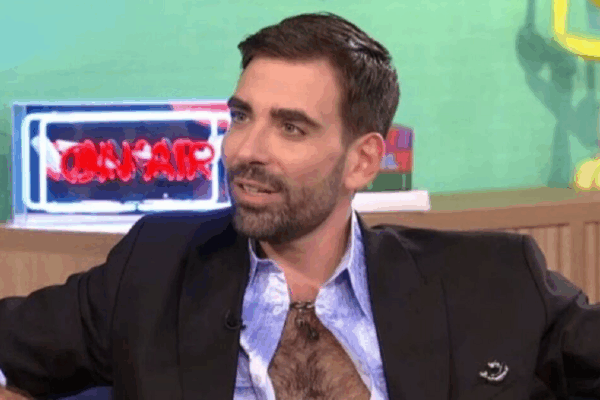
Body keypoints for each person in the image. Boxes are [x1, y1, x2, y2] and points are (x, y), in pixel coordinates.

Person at [1, 12, 600, 400]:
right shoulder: (154, 268)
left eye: (291, 128)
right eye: (241, 116)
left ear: (363, 160)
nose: (246, 150)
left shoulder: (491, 279)